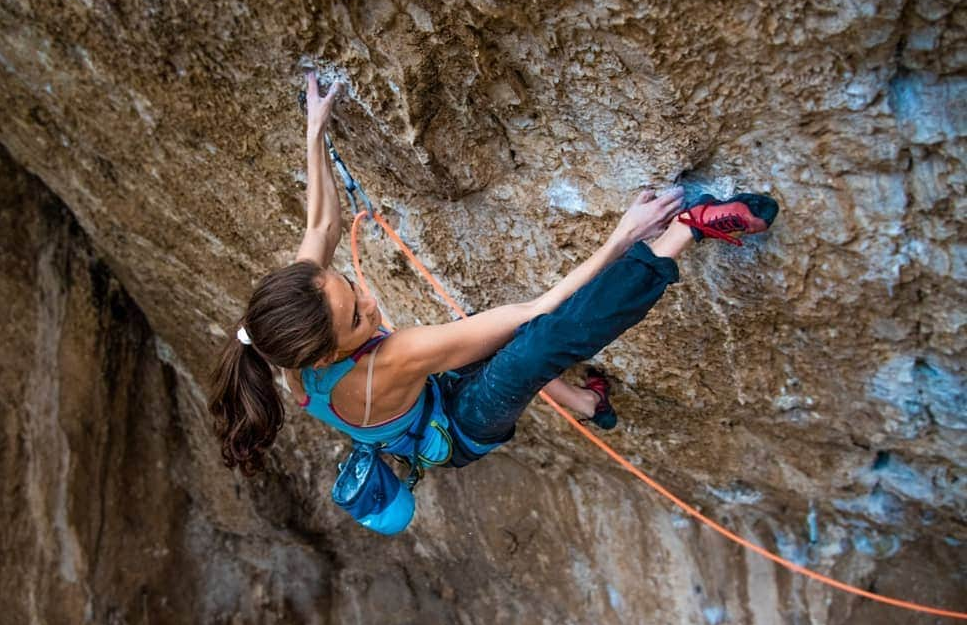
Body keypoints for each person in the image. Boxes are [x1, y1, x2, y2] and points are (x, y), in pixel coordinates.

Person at [209, 72, 778, 485]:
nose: (366, 295)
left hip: (414, 400)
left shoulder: (281, 329)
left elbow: (323, 224)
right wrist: (623, 237)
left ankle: (585, 404)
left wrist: (316, 131)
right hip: (458, 427)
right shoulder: (396, 354)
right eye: (358, 315)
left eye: (346, 285)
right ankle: (686, 231)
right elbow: (538, 311)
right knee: (536, 349)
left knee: (493, 342)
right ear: (323, 355)